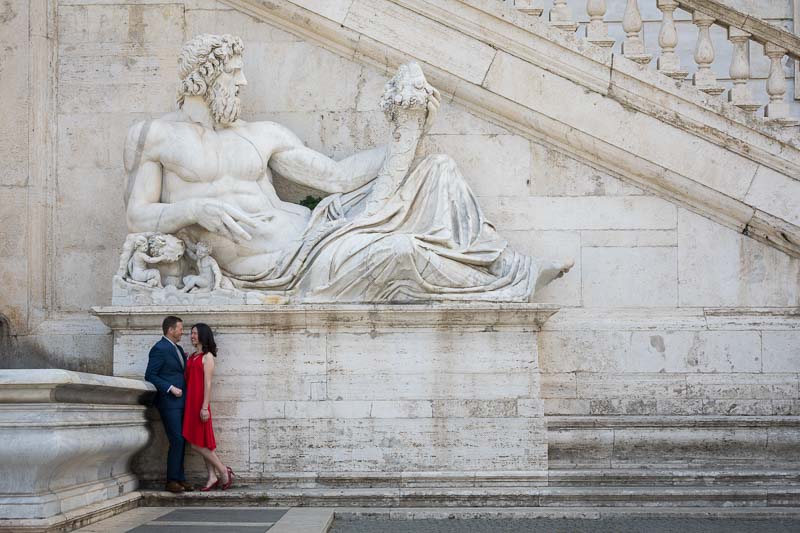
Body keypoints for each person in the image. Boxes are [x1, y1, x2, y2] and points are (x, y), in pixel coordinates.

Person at [144, 316, 194, 493]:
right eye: (180, 328)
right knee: (176, 439)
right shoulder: (159, 348)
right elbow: (150, 375)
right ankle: (172, 480)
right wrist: (170, 388)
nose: (183, 331)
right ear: (171, 330)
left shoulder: (178, 348)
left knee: (182, 440)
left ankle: (180, 478)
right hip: (169, 402)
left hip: (182, 402)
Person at [182, 323, 233, 491]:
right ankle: (211, 476)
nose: (192, 336)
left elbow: (208, 383)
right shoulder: (191, 356)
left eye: (195, 333)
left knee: (197, 444)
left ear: (203, 335)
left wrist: (204, 407)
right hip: (190, 402)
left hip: (200, 403)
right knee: (201, 441)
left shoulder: (208, 357)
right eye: (191, 333)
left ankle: (223, 470)